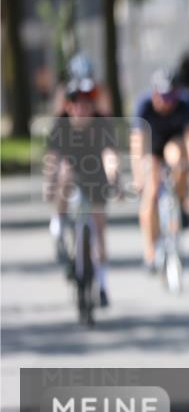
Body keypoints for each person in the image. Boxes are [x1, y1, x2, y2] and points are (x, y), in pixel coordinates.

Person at [44, 76, 120, 307]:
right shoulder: (61, 125)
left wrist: (113, 176)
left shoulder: (101, 124)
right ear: (68, 106)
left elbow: (110, 155)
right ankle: (59, 222)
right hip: (70, 177)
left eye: (87, 103)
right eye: (76, 103)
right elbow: (52, 159)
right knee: (65, 172)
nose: (82, 108)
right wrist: (49, 183)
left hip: (95, 177)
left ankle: (103, 284)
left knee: (99, 227)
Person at [130, 69, 189, 273]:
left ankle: (180, 203)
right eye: (163, 97)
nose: (168, 102)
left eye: (171, 97)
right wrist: (138, 175)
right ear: (154, 94)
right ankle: (150, 251)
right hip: (152, 148)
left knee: (179, 160)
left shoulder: (184, 103)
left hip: (174, 143)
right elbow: (137, 143)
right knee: (151, 191)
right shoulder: (144, 106)